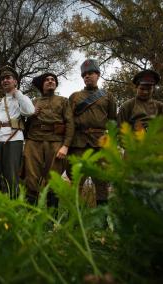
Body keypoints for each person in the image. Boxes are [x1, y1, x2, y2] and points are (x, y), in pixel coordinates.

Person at [68, 59, 117, 205]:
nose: (87, 76)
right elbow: (69, 121)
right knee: (77, 180)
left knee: (102, 180)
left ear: (98, 75)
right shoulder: (74, 96)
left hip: (100, 143)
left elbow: (113, 121)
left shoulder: (108, 96)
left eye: (90, 73)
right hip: (79, 143)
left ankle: (101, 220)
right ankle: (76, 219)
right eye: (84, 75)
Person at [0, 66, 34, 197]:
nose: (5, 80)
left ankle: (14, 207)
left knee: (11, 176)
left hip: (14, 140)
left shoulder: (22, 98)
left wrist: (18, 93)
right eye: (2, 79)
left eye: (8, 78)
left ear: (15, 81)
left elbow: (30, 111)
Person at [24, 72, 74, 206]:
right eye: (47, 80)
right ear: (42, 84)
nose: (50, 81)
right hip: (33, 141)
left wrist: (66, 145)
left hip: (55, 142)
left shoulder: (63, 101)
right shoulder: (33, 102)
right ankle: (31, 218)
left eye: (53, 80)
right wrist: (32, 114)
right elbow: (25, 124)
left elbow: (70, 123)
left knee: (53, 178)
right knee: (32, 177)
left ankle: (52, 222)